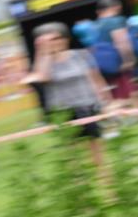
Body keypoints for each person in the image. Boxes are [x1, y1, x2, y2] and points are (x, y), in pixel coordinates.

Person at [30, 22, 114, 187]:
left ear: (64, 39)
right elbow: (44, 77)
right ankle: (83, 196)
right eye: (47, 40)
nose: (53, 42)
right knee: (73, 158)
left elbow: (96, 79)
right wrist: (45, 53)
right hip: (63, 112)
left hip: (87, 107)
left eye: (56, 38)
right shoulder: (42, 62)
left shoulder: (81, 55)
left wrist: (106, 101)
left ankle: (108, 191)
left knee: (98, 155)